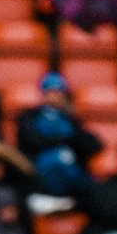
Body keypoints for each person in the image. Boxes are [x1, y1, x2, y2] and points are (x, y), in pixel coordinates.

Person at [15, 72, 103, 208]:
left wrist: (71, 118)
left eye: (59, 92)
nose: (55, 96)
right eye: (51, 92)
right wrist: (65, 138)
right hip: (40, 176)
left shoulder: (70, 120)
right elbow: (32, 141)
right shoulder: (28, 116)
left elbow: (94, 145)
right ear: (43, 93)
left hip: (71, 178)